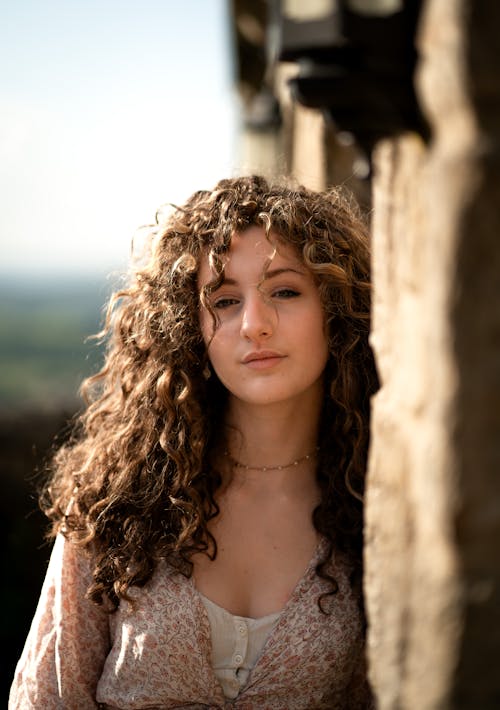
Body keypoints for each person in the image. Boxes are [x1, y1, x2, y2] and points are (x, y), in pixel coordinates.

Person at [9, 175, 378, 709]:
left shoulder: (376, 510)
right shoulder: (119, 495)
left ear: (337, 310)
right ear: (190, 328)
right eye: (225, 301)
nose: (255, 324)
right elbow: (48, 696)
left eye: (285, 290)